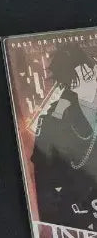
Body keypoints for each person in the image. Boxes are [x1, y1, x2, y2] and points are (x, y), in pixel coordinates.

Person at [31, 43, 97, 230]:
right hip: (83, 202)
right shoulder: (56, 119)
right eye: (80, 80)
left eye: (90, 74)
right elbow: (44, 170)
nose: (92, 82)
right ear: (70, 85)